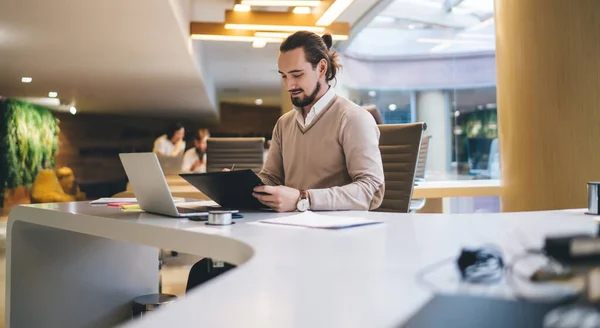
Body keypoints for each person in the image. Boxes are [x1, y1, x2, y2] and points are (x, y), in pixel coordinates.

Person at [254, 31, 385, 212]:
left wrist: (304, 199)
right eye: (284, 76)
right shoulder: (284, 124)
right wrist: (244, 187)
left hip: (339, 233)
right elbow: (272, 178)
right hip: (290, 227)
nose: (289, 85)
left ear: (322, 68)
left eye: (297, 74)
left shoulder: (353, 118)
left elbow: (371, 190)